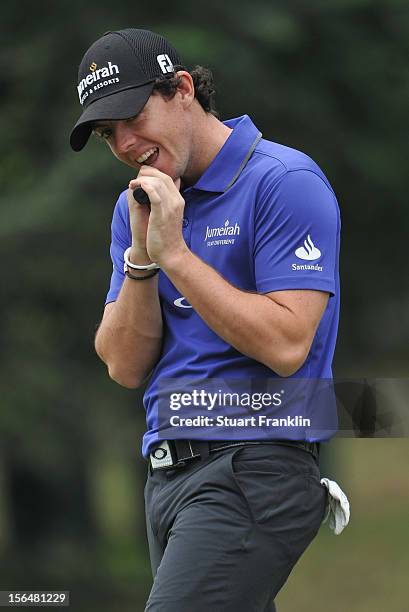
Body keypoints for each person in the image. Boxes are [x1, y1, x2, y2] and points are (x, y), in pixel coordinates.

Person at [70, 28, 341, 612]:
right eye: (106, 133)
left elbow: (288, 342)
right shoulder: (135, 207)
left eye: (132, 117)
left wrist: (177, 257)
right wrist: (144, 257)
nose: (123, 143)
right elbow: (122, 364)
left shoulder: (283, 182)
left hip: (256, 466)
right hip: (166, 476)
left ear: (183, 89)